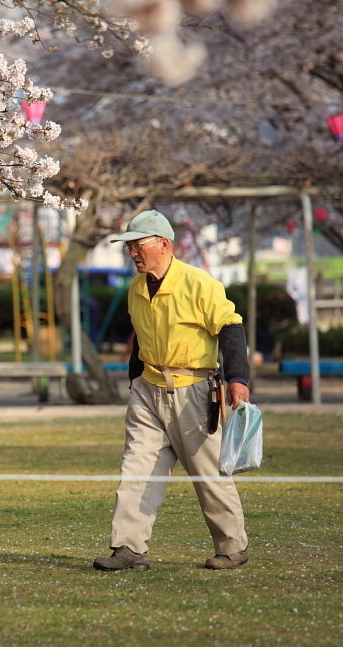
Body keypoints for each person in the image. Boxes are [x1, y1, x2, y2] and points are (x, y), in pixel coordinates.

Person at [92, 210, 251, 572]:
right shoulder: (135, 289)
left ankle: (232, 547)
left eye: (138, 244)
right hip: (147, 390)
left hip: (195, 390)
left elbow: (231, 329)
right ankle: (129, 548)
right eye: (129, 246)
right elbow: (139, 340)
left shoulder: (200, 284)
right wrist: (135, 383)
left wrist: (237, 380)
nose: (132, 252)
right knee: (137, 467)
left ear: (164, 244)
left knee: (208, 472)